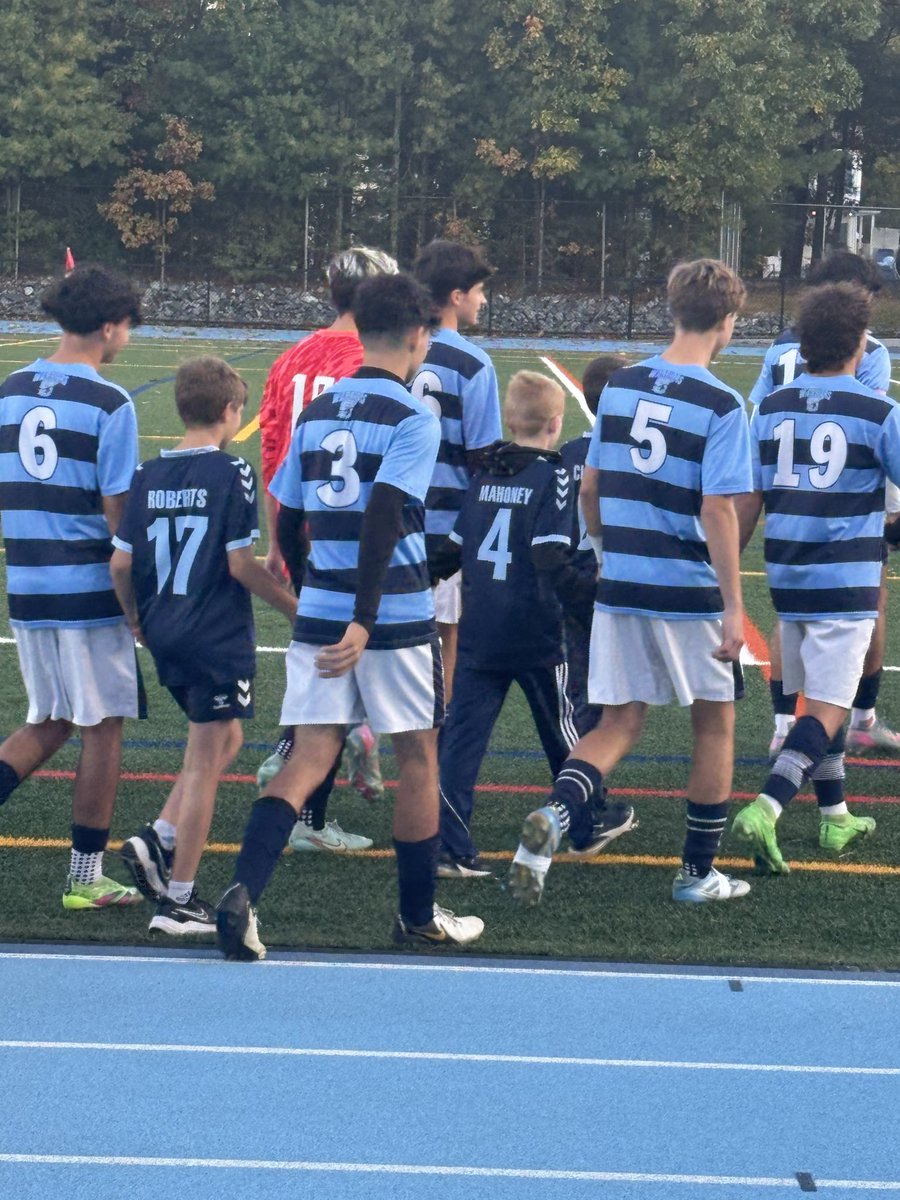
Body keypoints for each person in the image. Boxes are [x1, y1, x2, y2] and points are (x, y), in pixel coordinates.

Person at [215, 273, 485, 960]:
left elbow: (293, 515)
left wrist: (316, 601)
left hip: (323, 612)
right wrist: (363, 619)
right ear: (420, 334)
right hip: (389, 615)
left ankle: (244, 893)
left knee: (308, 756)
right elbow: (385, 518)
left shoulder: (320, 410)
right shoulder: (411, 417)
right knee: (418, 755)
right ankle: (417, 915)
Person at [508, 259, 753, 907]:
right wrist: (733, 605)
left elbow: (591, 487)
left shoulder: (621, 387)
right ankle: (697, 873)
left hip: (623, 583)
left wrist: (606, 554)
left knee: (617, 723)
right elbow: (720, 509)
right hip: (688, 587)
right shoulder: (722, 402)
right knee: (714, 726)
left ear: (671, 311)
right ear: (729, 322)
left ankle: (556, 819)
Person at [111, 357, 296, 935]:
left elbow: (121, 562)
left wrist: (136, 617)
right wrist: (296, 609)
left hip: (164, 627)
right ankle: (181, 898)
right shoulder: (231, 472)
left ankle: (158, 837)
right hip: (213, 630)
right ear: (228, 411)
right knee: (202, 758)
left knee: (228, 737)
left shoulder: (146, 475)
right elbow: (241, 565)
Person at [432, 371, 633, 879]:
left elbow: (451, 552)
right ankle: (584, 821)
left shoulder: (486, 475)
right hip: (537, 627)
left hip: (481, 626)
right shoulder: (555, 474)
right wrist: (591, 600)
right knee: (563, 727)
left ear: (509, 418)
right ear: (556, 422)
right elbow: (549, 556)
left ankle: (450, 845)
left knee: (461, 738)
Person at [733, 282, 900, 872]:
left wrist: (727, 567)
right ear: (860, 342)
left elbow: (750, 496)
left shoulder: (773, 407)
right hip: (847, 577)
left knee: (814, 698)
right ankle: (769, 806)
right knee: (831, 706)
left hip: (785, 571)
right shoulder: (879, 410)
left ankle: (835, 817)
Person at [0, 264, 144, 910]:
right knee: (102, 727)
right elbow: (119, 518)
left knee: (50, 720)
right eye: (129, 329)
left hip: (27, 585)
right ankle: (86, 880)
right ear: (109, 326)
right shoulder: (111, 403)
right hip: (87, 590)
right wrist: (138, 603)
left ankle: (87, 878)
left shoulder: (10, 389)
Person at [257, 247, 400, 848]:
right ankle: (319, 766)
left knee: (321, 653)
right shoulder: (372, 360)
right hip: (356, 535)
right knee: (367, 652)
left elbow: (272, 453)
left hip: (302, 526)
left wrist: (275, 543)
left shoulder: (293, 357)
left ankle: (309, 750)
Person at [749, 250, 900, 757]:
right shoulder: (869, 353)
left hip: (790, 510)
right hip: (848, 505)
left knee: (790, 618)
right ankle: (859, 719)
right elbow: (864, 417)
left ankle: (782, 727)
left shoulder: (778, 353)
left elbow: (760, 418)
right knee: (868, 605)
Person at [411, 240, 503, 704]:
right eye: (479, 290)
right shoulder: (473, 363)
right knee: (447, 641)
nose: (483, 300)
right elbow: (483, 459)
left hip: (395, 518)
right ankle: (434, 747)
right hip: (447, 527)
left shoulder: (398, 347)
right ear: (455, 295)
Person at [559, 352, 628, 735]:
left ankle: (585, 755)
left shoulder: (565, 454)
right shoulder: (628, 458)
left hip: (574, 580)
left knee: (582, 680)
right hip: (615, 578)